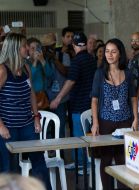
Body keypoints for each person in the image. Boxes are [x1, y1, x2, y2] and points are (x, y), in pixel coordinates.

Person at [0, 33, 51, 190]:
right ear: (15, 48)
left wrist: (36, 117)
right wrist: (1, 126)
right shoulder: (2, 70)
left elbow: (31, 94)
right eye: (24, 45)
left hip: (27, 124)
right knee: (9, 168)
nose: (28, 48)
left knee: (39, 163)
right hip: (8, 127)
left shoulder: (26, 67)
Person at [91, 38, 138, 190]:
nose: (109, 55)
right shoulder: (99, 73)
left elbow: (133, 98)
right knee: (106, 159)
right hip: (105, 122)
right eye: (107, 51)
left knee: (123, 159)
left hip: (125, 122)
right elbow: (94, 101)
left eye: (113, 51)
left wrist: (136, 118)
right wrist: (95, 123)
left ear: (120, 54)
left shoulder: (128, 74)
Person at [50, 32, 96, 174]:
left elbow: (70, 81)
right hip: (90, 104)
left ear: (74, 45)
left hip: (79, 105)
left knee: (79, 136)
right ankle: (84, 162)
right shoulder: (91, 59)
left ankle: (82, 164)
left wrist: (57, 99)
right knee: (89, 135)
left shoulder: (77, 61)